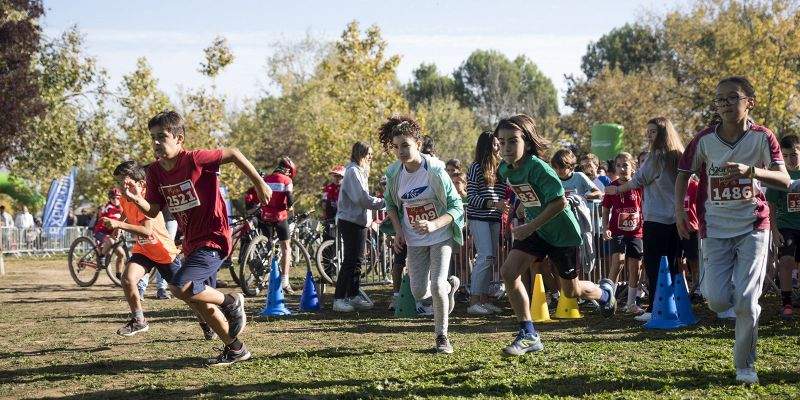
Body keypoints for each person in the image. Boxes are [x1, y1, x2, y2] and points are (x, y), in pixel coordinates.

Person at [125, 110, 272, 366]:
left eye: (162, 137)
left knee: (180, 286)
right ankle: (235, 348)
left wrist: (260, 183)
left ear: (179, 138)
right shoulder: (156, 173)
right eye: (152, 138)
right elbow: (155, 209)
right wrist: (138, 200)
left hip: (213, 238)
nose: (156, 143)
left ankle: (232, 301)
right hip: (192, 243)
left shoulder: (195, 159)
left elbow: (234, 153)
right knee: (199, 299)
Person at [676, 76, 790, 384]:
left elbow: (785, 179)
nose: (725, 104)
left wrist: (751, 171)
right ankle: (740, 296)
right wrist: (679, 212)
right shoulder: (703, 140)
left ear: (749, 102)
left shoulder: (763, 137)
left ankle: (745, 366)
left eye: (732, 98)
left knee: (746, 301)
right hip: (714, 227)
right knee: (715, 299)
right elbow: (683, 174)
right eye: (720, 99)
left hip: (753, 225)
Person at [495, 114, 616, 356]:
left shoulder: (540, 168)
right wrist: (521, 207)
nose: (506, 147)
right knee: (508, 272)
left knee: (569, 292)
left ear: (527, 143)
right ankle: (529, 333)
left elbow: (559, 202)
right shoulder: (505, 169)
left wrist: (529, 225)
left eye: (512, 141)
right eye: (501, 141)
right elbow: (529, 194)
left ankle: (605, 294)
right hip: (537, 229)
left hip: (562, 233)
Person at [379, 116, 463, 354]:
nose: (401, 151)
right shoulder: (395, 173)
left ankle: (442, 337)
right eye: (396, 147)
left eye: (405, 145)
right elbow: (391, 205)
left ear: (417, 142)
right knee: (418, 292)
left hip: (441, 234)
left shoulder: (435, 169)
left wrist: (435, 224)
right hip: (414, 239)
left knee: (435, 285)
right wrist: (398, 231)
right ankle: (449, 289)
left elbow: (457, 207)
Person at [104, 161, 212, 338]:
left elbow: (146, 230)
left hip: (163, 252)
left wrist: (118, 223)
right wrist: (120, 225)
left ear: (140, 183)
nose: (120, 187)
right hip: (144, 250)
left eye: (124, 182)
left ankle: (205, 321)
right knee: (127, 279)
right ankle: (139, 320)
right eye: (118, 182)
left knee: (185, 295)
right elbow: (126, 210)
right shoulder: (124, 197)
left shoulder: (146, 199)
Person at [605, 117, 685, 323]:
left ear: (663, 134)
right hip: (674, 218)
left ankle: (657, 307)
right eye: (647, 132)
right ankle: (675, 305)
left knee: (653, 265)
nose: (648, 136)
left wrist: (616, 189)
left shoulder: (657, 156)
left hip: (656, 219)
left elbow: (639, 179)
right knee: (673, 264)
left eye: (653, 132)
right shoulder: (678, 154)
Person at [332, 142, 385, 312]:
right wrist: (384, 203)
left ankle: (353, 295)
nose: (371, 157)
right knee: (349, 260)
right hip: (350, 221)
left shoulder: (361, 171)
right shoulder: (353, 171)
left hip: (359, 222)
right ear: (360, 153)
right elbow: (361, 199)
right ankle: (339, 298)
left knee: (358, 261)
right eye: (369, 153)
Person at [465, 131, 508, 315]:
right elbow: (471, 196)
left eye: (500, 144)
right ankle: (474, 301)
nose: (499, 147)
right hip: (479, 217)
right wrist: (492, 204)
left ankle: (483, 300)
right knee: (485, 256)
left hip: (494, 217)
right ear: (487, 146)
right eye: (496, 144)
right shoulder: (476, 167)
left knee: (490, 259)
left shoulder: (501, 167)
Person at [245, 157, 297, 294]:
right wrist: (290, 208)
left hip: (265, 216)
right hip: (280, 217)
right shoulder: (287, 180)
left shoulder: (266, 179)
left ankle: (261, 265)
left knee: (267, 242)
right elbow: (290, 197)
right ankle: (285, 281)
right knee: (286, 247)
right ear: (288, 170)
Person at [601, 152, 644, 315]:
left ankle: (631, 303)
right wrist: (605, 228)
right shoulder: (612, 187)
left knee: (635, 267)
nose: (622, 168)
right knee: (617, 263)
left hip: (636, 232)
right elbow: (606, 210)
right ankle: (607, 300)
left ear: (633, 167)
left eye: (625, 165)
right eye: (618, 165)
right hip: (617, 231)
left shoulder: (638, 185)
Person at [766, 134, 800, 320]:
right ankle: (786, 302)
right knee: (786, 261)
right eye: (785, 156)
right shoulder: (779, 176)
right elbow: (770, 205)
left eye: (793, 154)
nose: (789, 159)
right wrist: (774, 229)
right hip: (786, 226)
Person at [93, 189, 126, 280]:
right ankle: (101, 257)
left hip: (112, 233)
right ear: (110, 199)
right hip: (100, 231)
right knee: (110, 241)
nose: (116, 200)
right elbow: (111, 221)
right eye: (113, 198)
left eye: (118, 198)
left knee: (121, 254)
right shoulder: (109, 207)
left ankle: (119, 276)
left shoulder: (122, 208)